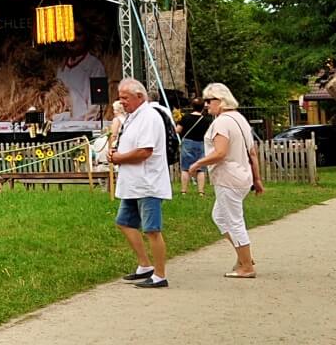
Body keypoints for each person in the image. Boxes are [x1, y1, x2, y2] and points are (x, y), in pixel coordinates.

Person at [187, 83, 263, 278]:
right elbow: (252, 153)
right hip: (242, 175)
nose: (206, 105)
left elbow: (220, 152)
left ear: (220, 101)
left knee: (234, 221)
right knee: (220, 216)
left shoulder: (221, 122)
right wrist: (257, 179)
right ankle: (244, 255)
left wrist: (197, 164)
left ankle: (246, 266)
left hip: (228, 177)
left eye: (209, 100)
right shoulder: (240, 119)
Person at [109, 78, 174, 289]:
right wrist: (115, 152)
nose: (122, 102)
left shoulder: (149, 117)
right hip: (132, 183)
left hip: (148, 183)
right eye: (120, 98)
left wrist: (119, 158)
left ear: (140, 97)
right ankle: (144, 265)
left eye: (125, 98)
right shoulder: (132, 117)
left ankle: (160, 274)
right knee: (124, 222)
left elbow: (145, 151)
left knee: (152, 229)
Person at [179, 106, 213, 196]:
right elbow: (210, 133)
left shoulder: (185, 117)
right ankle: (201, 192)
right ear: (202, 108)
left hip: (187, 143)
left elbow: (178, 130)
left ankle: (183, 191)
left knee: (185, 168)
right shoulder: (206, 120)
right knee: (201, 169)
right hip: (201, 143)